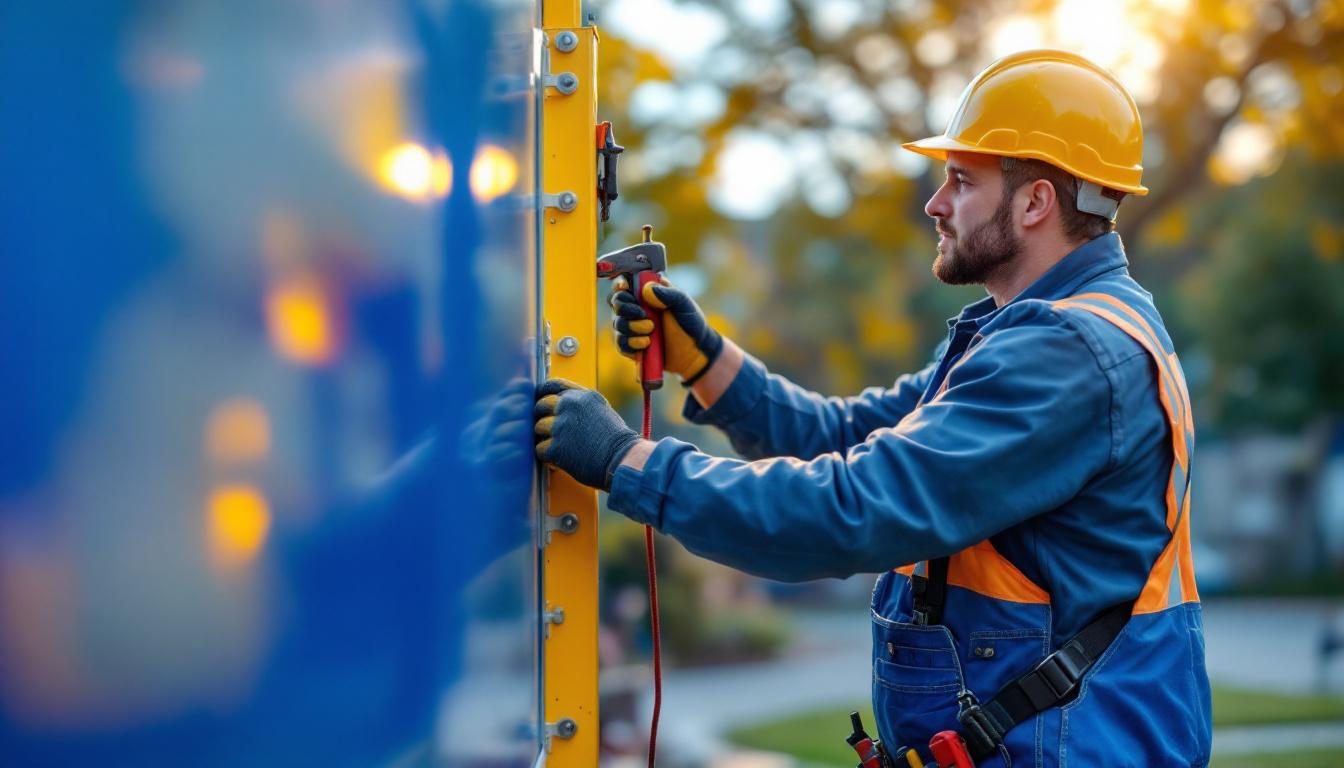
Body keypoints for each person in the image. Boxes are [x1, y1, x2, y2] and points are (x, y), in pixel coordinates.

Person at [534, 50, 1212, 765]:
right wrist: (703, 360)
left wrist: (624, 461)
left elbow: (850, 510)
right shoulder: (1035, 332)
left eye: (960, 180)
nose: (935, 203)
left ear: (1036, 201)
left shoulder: (1066, 355)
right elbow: (841, 435)